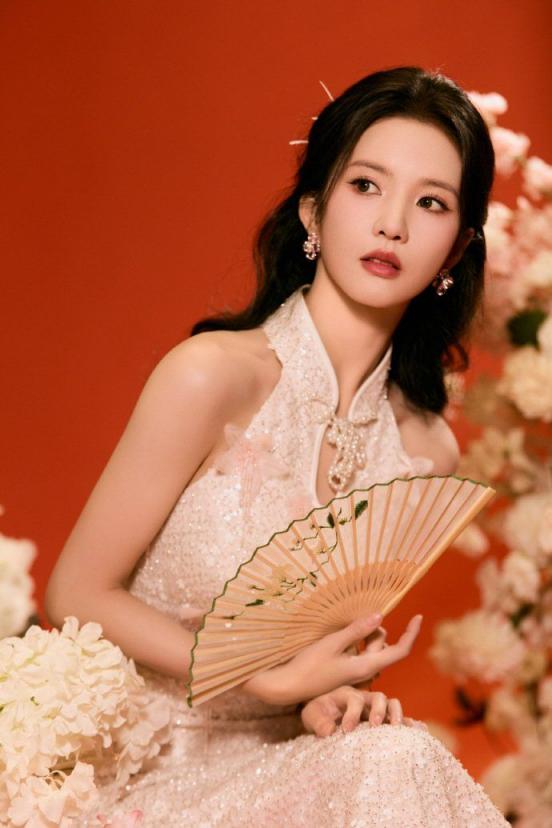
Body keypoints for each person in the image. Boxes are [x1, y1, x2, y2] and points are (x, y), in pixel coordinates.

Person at [45, 65, 508, 826]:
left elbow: (320, 655)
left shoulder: (425, 455)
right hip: (142, 764)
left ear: (455, 252)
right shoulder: (213, 378)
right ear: (312, 210)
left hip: (285, 770)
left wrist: (328, 696)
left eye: (430, 202)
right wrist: (260, 674)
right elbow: (77, 593)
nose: (393, 223)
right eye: (366, 186)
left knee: (394, 753)